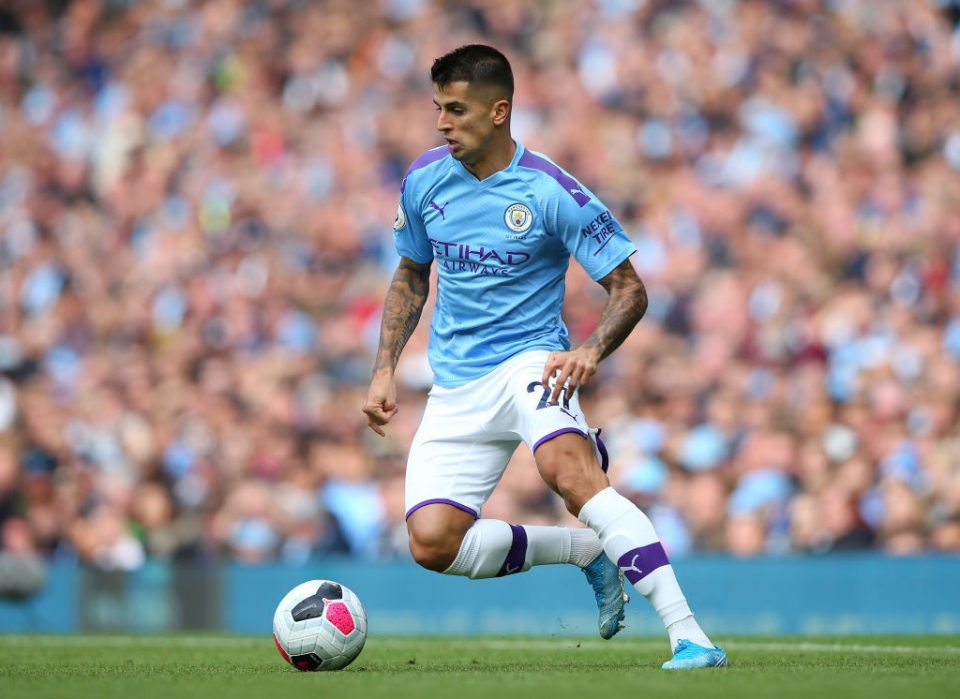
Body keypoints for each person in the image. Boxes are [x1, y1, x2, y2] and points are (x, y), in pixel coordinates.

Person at [362, 44, 726, 670]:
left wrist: (588, 349)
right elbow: (411, 274)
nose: (442, 124)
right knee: (432, 543)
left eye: (456, 110)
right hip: (456, 385)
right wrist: (384, 367)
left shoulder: (553, 192)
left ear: (499, 111)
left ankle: (689, 634)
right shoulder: (424, 179)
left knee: (571, 474)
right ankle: (586, 553)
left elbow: (630, 289)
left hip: (533, 363)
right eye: (438, 110)